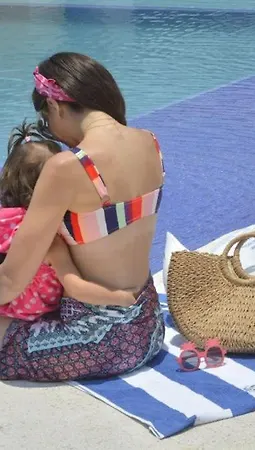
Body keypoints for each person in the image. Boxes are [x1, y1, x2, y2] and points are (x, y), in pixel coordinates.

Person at [0, 52, 165, 381]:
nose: (54, 134)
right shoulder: (149, 142)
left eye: (47, 120)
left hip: (97, 342)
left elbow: (9, 283)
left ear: (55, 106)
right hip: (147, 327)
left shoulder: (68, 167)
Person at [0, 122, 137, 322]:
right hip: (29, 310)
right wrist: (120, 297)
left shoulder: (7, 220)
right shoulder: (51, 238)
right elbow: (76, 287)